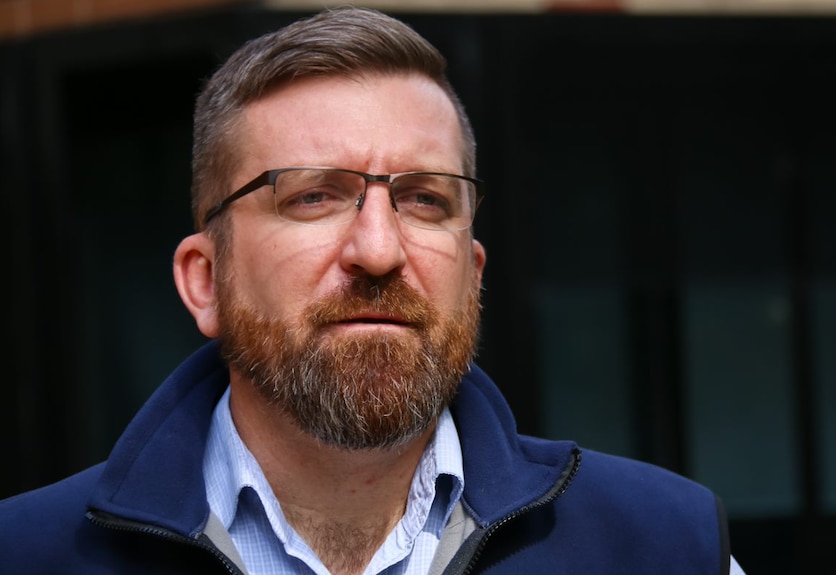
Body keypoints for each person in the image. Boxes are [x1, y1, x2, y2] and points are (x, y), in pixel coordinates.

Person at [0, 6, 746, 575]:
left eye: (425, 199)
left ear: (473, 276)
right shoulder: (27, 554)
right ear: (206, 280)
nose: (380, 251)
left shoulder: (666, 546)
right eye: (315, 196)